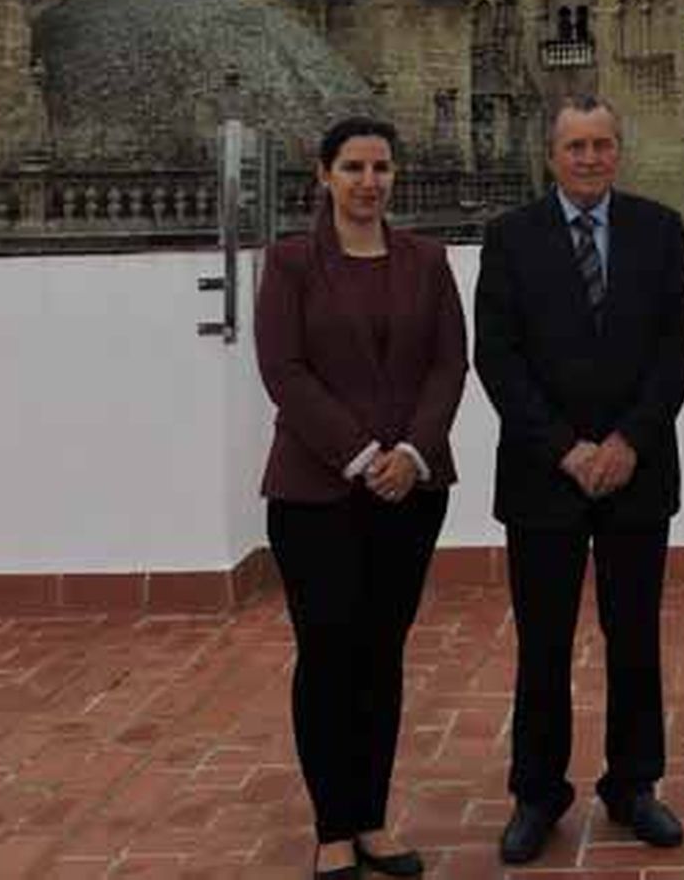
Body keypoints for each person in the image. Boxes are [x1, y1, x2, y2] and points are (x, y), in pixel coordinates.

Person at [474, 96, 684, 866]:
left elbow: (678, 349)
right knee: (543, 642)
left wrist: (630, 440)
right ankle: (537, 793)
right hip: (545, 476)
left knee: (634, 636)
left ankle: (634, 785)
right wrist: (568, 449)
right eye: (576, 147)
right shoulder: (509, 238)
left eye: (603, 144)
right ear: (551, 156)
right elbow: (497, 358)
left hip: (637, 472)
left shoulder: (659, 230)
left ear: (619, 151)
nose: (592, 158)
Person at [255, 116, 468, 880]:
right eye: (353, 167)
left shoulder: (427, 260)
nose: (369, 182)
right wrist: (359, 454)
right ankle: (333, 829)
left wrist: (412, 454)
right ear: (324, 175)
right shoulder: (289, 265)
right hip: (315, 494)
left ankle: (374, 820)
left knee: (382, 655)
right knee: (328, 655)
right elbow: (285, 371)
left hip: (411, 492)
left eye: (381, 168)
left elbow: (451, 364)